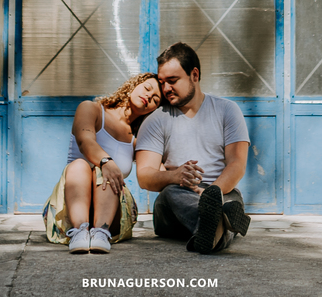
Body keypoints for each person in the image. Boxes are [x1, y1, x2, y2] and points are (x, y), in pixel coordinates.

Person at [135, 42, 252, 254]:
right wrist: (174, 177)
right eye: (162, 82)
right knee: (172, 194)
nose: (165, 89)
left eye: (172, 81)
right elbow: (144, 175)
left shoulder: (227, 110)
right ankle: (220, 221)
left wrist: (213, 192)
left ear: (194, 75)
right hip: (175, 201)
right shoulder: (155, 120)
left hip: (221, 191)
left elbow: (237, 164)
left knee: (230, 198)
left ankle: (208, 232)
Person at [43, 72, 163, 254]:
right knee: (81, 165)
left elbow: (157, 169)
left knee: (103, 173)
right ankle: (79, 232)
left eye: (155, 99)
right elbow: (85, 141)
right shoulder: (92, 109)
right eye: (147, 88)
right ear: (134, 85)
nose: (149, 96)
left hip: (112, 217)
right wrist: (107, 162)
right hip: (71, 206)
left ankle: (100, 233)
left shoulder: (137, 140)